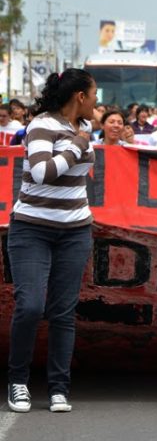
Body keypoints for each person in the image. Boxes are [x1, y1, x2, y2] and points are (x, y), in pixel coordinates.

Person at [7, 68, 96, 414]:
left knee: (63, 312)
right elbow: (43, 171)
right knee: (30, 306)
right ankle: (18, 382)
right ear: (80, 97)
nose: (97, 101)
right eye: (94, 94)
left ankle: (59, 387)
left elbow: (79, 178)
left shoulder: (84, 129)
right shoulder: (42, 125)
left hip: (75, 232)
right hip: (32, 229)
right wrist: (76, 145)